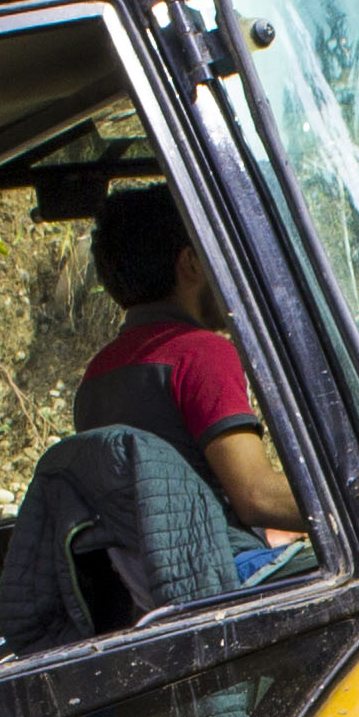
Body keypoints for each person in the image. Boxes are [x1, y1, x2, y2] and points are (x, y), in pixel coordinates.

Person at [74, 185, 304, 581]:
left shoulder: (95, 379)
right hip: (228, 573)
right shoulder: (199, 353)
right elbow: (255, 496)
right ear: (193, 262)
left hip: (163, 592)